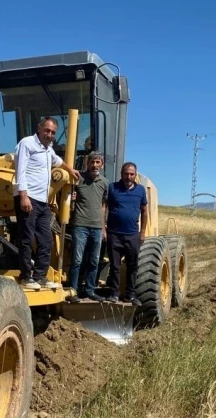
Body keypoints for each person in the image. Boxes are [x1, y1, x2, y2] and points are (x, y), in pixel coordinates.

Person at [13, 117, 81, 290]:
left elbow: (57, 161)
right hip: (29, 198)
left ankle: (40, 276)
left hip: (43, 201)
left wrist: (70, 169)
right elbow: (20, 170)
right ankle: (26, 276)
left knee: (46, 240)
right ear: (39, 128)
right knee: (26, 239)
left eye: (53, 133)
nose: (50, 135)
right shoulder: (27, 144)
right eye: (47, 131)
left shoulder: (47, 149)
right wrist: (23, 196)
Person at [65, 151, 109, 303]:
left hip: (97, 227)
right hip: (80, 226)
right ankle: (73, 291)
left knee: (94, 260)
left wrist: (103, 227)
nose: (94, 165)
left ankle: (90, 290)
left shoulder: (104, 183)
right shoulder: (78, 179)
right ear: (87, 164)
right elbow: (68, 199)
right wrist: (72, 199)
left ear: (102, 165)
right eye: (92, 162)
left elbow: (104, 206)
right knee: (77, 260)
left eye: (97, 162)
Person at [104, 162, 147, 306]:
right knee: (115, 266)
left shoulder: (140, 190)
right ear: (121, 174)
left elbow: (144, 211)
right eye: (126, 173)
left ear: (135, 175)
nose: (128, 176)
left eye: (131, 174)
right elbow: (105, 207)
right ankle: (114, 294)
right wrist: (103, 227)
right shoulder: (112, 188)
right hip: (114, 234)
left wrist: (143, 232)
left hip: (132, 235)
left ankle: (130, 295)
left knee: (132, 266)